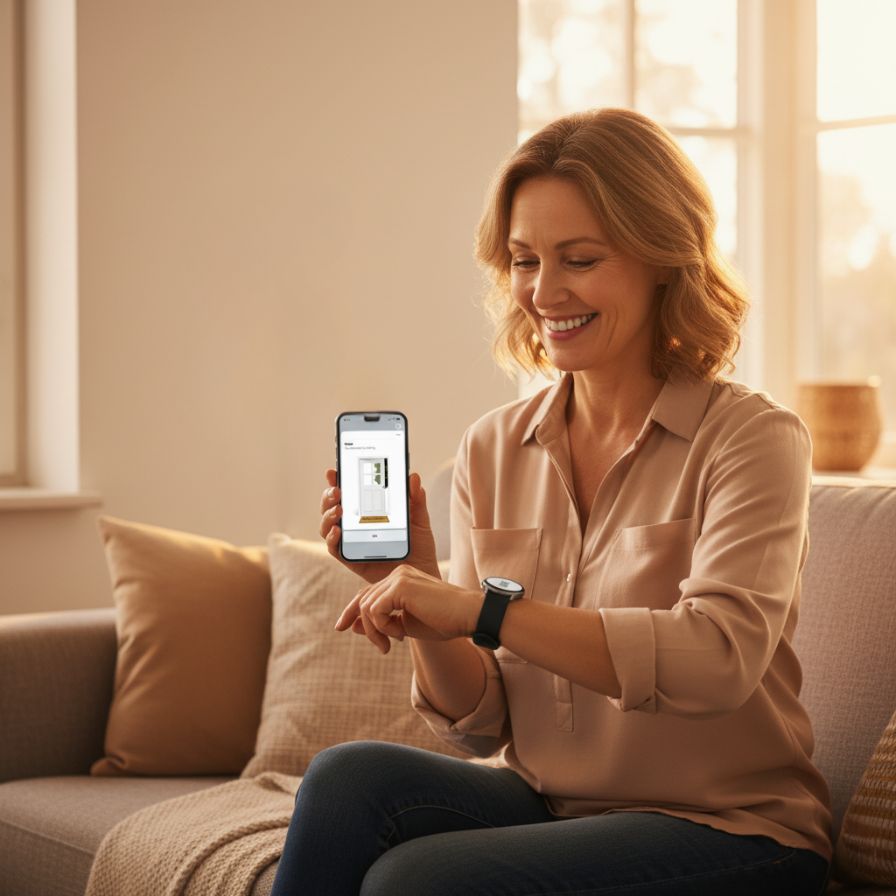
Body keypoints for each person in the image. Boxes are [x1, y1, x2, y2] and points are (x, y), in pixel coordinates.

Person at [270, 107, 833, 895]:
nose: (543, 291)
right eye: (525, 260)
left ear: (662, 258)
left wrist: (479, 609)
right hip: (552, 806)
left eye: (580, 259)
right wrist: (432, 608)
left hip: (731, 830)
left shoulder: (752, 440)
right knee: (343, 782)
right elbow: (483, 724)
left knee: (417, 880)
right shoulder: (493, 447)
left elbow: (718, 660)